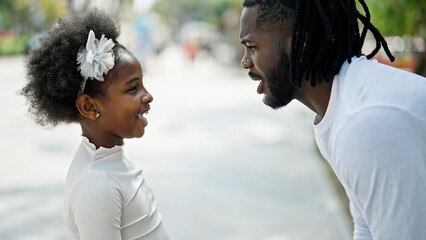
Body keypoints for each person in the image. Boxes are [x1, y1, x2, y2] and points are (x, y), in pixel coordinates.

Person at [239, 0, 426, 239]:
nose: (245, 61)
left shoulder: (367, 123)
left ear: (301, 43)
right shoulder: (338, 110)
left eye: (252, 46)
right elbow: (366, 225)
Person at [20, 9, 171, 240]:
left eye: (143, 85)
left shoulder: (108, 161)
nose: (148, 96)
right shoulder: (97, 184)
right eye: (132, 88)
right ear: (89, 107)